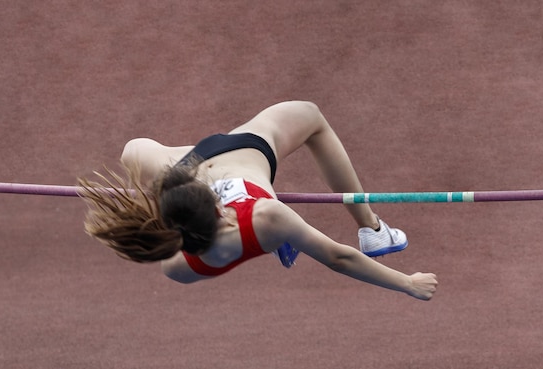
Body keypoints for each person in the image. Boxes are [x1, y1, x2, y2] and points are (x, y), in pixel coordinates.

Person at [79, 101, 438, 300]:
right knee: (311, 116)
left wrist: (278, 236)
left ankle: (311, 237)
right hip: (216, 160)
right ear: (223, 213)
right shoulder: (268, 216)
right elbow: (337, 256)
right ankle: (371, 228)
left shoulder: (179, 268)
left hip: (189, 176)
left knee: (132, 154)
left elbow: (175, 227)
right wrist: (406, 283)